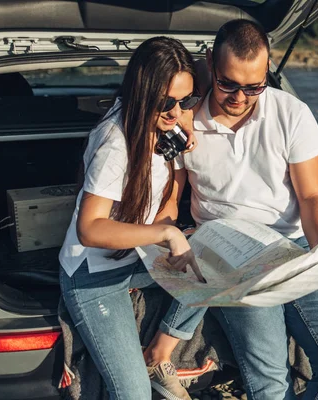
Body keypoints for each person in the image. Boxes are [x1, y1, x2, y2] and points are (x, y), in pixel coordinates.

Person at [165, 19, 318, 400]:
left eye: (253, 87)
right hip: (229, 259)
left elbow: (311, 196)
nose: (239, 97)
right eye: (227, 83)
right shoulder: (184, 123)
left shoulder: (291, 112)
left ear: (267, 72)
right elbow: (168, 203)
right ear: (210, 63)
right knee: (270, 383)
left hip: (294, 249)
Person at [58, 36, 204, 400]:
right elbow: (90, 228)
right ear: (142, 95)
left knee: (215, 269)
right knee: (134, 394)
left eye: (185, 99)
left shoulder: (165, 124)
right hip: (94, 276)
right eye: (166, 103)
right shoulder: (114, 142)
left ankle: (159, 356)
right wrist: (166, 235)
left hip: (136, 259)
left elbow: (170, 190)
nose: (175, 112)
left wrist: (185, 122)